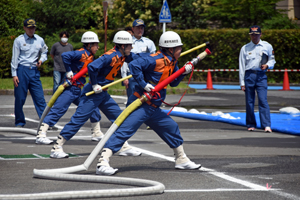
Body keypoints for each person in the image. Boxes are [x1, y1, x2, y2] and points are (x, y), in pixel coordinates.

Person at [96, 31, 201, 176]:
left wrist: (184, 72)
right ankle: (102, 162)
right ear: (170, 49)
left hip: (153, 107)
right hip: (140, 103)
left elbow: (174, 83)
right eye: (179, 48)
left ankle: (181, 159)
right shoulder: (155, 59)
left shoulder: (173, 62)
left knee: (171, 127)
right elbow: (134, 65)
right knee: (125, 131)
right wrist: (144, 84)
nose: (180, 50)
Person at [50, 31, 142, 158]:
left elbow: (138, 58)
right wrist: (94, 84)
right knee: (78, 120)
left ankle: (122, 146)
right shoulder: (110, 56)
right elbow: (92, 67)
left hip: (103, 93)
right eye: (129, 45)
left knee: (120, 118)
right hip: (92, 92)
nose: (131, 48)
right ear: (122, 46)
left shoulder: (124, 55)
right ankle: (57, 147)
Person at [36, 31, 103, 145]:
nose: (98, 47)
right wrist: (69, 71)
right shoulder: (81, 53)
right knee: (58, 109)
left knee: (92, 107)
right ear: (89, 44)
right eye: (96, 44)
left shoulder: (90, 56)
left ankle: (96, 133)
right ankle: (41, 135)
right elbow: (65, 55)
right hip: (70, 88)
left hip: (79, 89)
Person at [11, 18, 48, 127]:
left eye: (33, 27)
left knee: (40, 98)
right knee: (20, 98)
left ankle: (45, 122)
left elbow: (45, 51)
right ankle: (20, 121)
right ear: (24, 28)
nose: (31, 30)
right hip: (22, 70)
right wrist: (14, 74)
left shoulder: (39, 40)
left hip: (34, 71)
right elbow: (14, 58)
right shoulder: (19, 40)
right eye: (29, 28)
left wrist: (41, 59)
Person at [239, 25, 276, 133]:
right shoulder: (245, 48)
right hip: (249, 75)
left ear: (260, 34)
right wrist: (242, 82)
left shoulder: (267, 46)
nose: (254, 37)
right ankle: (251, 124)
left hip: (261, 76)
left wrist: (268, 65)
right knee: (249, 101)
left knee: (263, 100)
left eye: (256, 34)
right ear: (250, 36)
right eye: (252, 35)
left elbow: (272, 60)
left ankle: (266, 125)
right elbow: (241, 66)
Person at [121, 19, 156, 100]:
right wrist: (124, 76)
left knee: (147, 99)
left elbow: (154, 60)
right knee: (132, 99)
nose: (140, 30)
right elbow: (124, 60)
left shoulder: (149, 43)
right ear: (133, 29)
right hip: (132, 75)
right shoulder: (128, 42)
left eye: (142, 28)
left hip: (145, 75)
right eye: (138, 28)